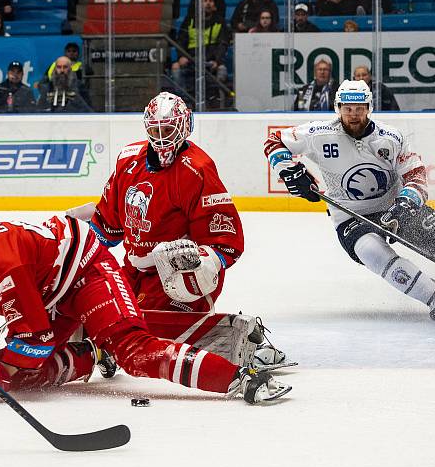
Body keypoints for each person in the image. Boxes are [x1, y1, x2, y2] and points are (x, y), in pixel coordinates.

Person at [0, 203, 291, 405]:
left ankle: (243, 379)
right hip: (48, 292)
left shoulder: (2, 264)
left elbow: (36, 335)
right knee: (23, 377)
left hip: (85, 271)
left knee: (134, 351)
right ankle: (90, 354)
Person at [66, 92, 287, 369]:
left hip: (175, 276)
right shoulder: (128, 161)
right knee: (92, 307)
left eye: (168, 129)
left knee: (145, 337)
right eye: (156, 129)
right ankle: (106, 348)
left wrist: (205, 263)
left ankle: (244, 340)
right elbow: (108, 227)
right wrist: (73, 243)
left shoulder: (197, 169)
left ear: (184, 126)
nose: (162, 137)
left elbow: (225, 240)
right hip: (134, 272)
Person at [264, 80, 435, 323]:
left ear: (369, 107)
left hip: (396, 206)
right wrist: (290, 171)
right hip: (350, 215)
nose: (353, 115)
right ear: (338, 108)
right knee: (372, 252)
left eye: (359, 109)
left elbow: (415, 174)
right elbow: (274, 141)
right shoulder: (318, 133)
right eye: (347, 109)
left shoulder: (391, 137)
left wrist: (407, 202)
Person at [172, 0, 231, 106]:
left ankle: (216, 102)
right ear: (199, 4)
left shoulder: (220, 21)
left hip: (211, 62)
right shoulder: (190, 20)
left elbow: (223, 44)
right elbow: (181, 41)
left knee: (222, 70)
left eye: (210, 1)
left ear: (214, 5)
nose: (208, 3)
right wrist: (181, 56)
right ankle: (185, 102)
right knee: (175, 68)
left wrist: (217, 61)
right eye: (205, 1)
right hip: (191, 60)